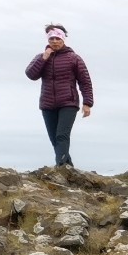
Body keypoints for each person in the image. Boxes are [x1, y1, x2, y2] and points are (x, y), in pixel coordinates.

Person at [25, 24, 94, 168]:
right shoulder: (41, 57)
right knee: (54, 139)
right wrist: (43, 58)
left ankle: (60, 167)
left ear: (63, 39)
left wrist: (87, 103)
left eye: (57, 38)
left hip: (68, 103)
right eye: (52, 39)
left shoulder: (74, 58)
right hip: (47, 104)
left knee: (61, 136)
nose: (55, 41)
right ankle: (68, 168)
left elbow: (85, 81)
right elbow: (31, 75)